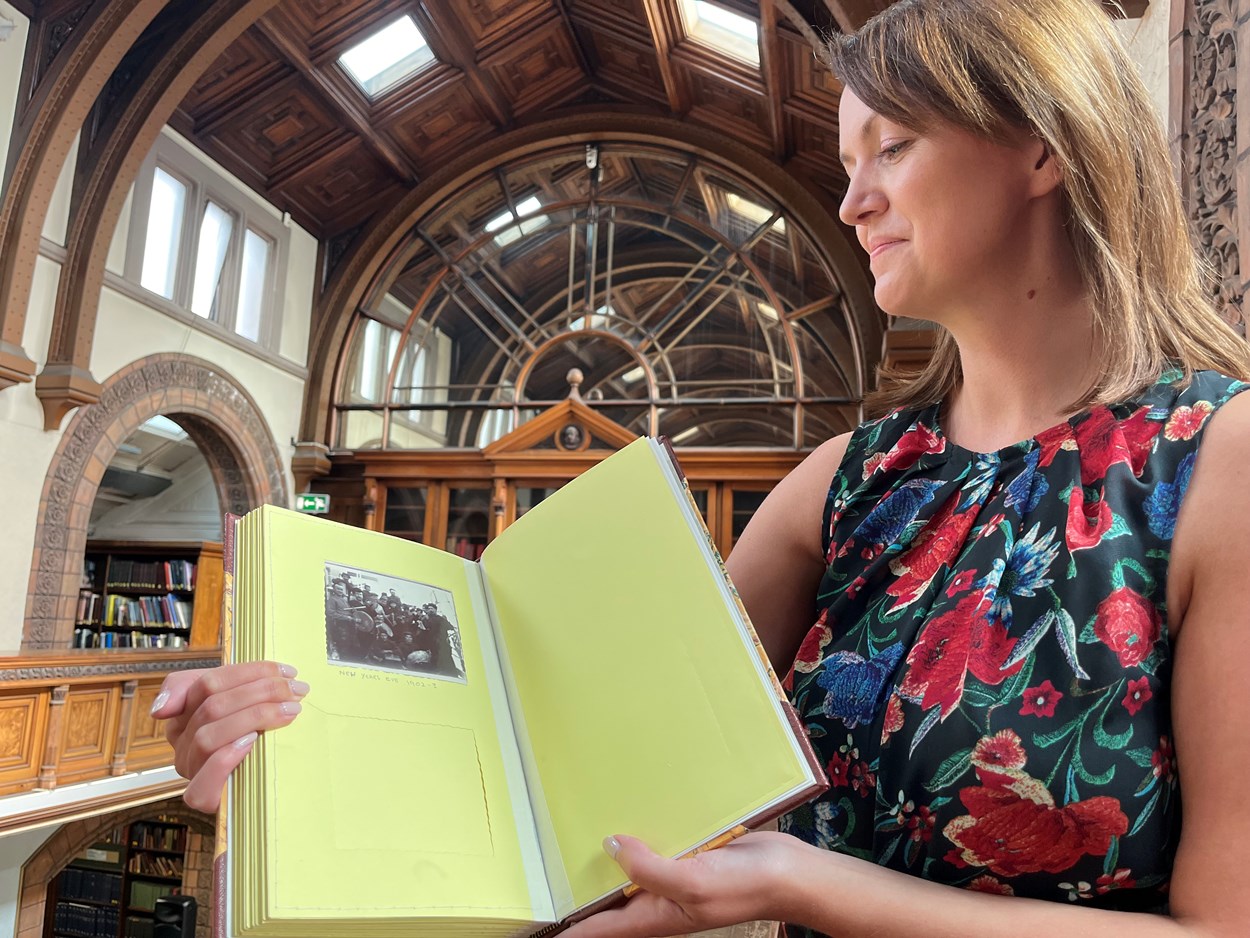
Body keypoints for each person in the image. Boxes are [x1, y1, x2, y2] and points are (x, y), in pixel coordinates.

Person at [152, 1, 1250, 935]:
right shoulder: (843, 482)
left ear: (1041, 147)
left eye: (892, 146)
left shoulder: (1217, 463)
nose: (851, 198)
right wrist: (295, 744)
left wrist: (806, 882)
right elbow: (574, 760)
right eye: (846, 159)